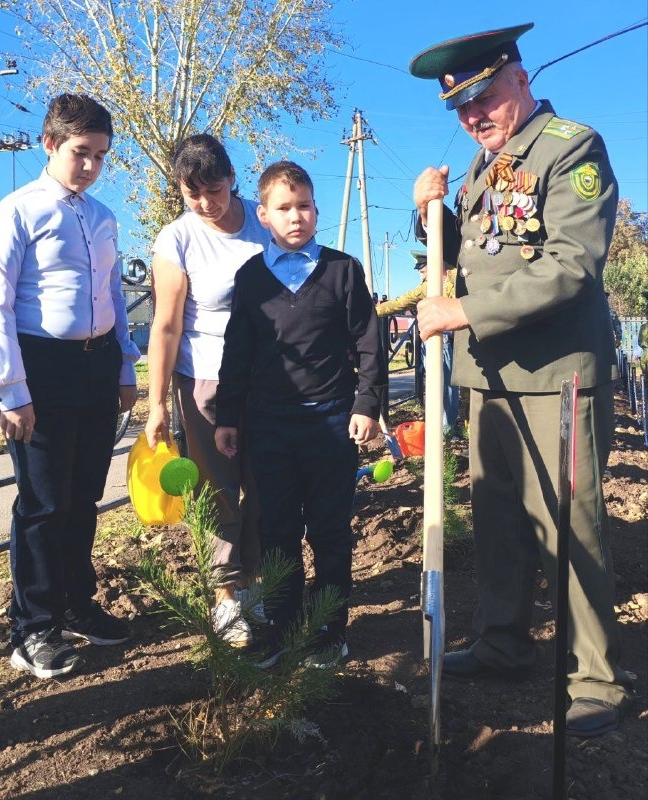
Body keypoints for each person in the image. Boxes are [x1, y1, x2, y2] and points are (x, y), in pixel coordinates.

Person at [409, 23, 632, 737]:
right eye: (461, 109)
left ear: (519, 78)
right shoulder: (481, 170)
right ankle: (503, 642)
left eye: (484, 97)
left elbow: (568, 267)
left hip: (556, 376)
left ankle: (596, 676)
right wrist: (433, 215)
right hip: (488, 377)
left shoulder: (569, 148)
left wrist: (461, 310)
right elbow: (487, 250)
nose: (474, 116)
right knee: (499, 522)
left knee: (570, 527)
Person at [0, 93, 139, 679]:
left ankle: (75, 603)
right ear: (49, 144)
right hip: (40, 367)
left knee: (84, 495)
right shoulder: (16, 211)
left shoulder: (102, 217)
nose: (92, 165)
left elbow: (116, 296)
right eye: (81, 153)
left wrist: (124, 367)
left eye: (100, 155)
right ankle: (33, 627)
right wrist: (12, 389)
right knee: (43, 503)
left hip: (96, 368)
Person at [215, 161, 386, 666]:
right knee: (277, 530)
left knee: (330, 528)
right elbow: (236, 353)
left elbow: (369, 344)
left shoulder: (342, 271)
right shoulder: (250, 278)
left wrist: (367, 403)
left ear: (316, 210)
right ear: (263, 215)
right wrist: (228, 416)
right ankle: (284, 624)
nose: (297, 217)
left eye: (305, 206)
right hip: (269, 427)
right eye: (284, 208)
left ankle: (329, 627)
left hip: (333, 423)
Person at [145, 134, 271, 649]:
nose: (205, 203)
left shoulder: (264, 221)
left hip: (268, 376)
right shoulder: (175, 239)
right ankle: (224, 596)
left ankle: (258, 582)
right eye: (191, 192)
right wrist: (156, 404)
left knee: (264, 482)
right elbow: (167, 327)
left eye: (214, 189)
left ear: (231, 177)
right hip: (205, 379)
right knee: (218, 488)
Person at [377, 250, 460, 434]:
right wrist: (374, 311)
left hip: (454, 339)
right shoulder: (426, 287)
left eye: (423, 272)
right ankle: (439, 426)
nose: (421, 277)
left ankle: (448, 427)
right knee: (433, 383)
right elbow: (401, 301)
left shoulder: (458, 277)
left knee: (448, 385)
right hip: (432, 340)